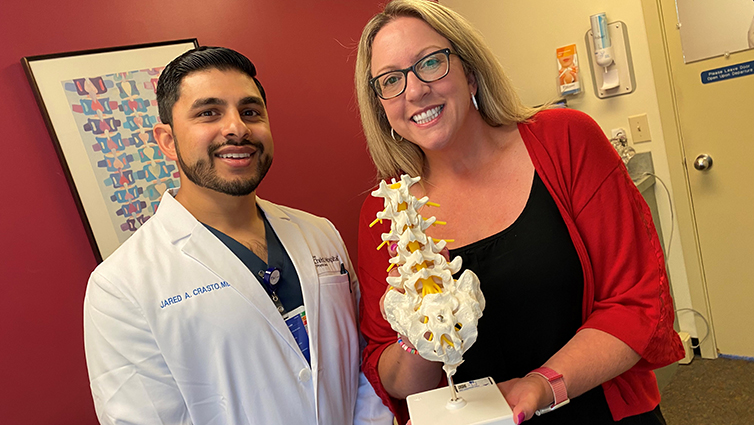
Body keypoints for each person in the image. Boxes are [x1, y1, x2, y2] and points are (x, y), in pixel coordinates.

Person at [353, 1, 685, 424]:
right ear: (380, 103)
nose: (414, 91)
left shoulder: (566, 142)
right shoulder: (386, 213)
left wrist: (542, 386)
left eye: (431, 62)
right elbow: (393, 375)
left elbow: (637, 302)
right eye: (391, 80)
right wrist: (422, 332)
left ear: (469, 70)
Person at [84, 46, 392, 425]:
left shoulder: (319, 233)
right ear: (167, 141)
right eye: (208, 113)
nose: (237, 128)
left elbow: (363, 368)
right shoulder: (120, 286)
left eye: (250, 112)